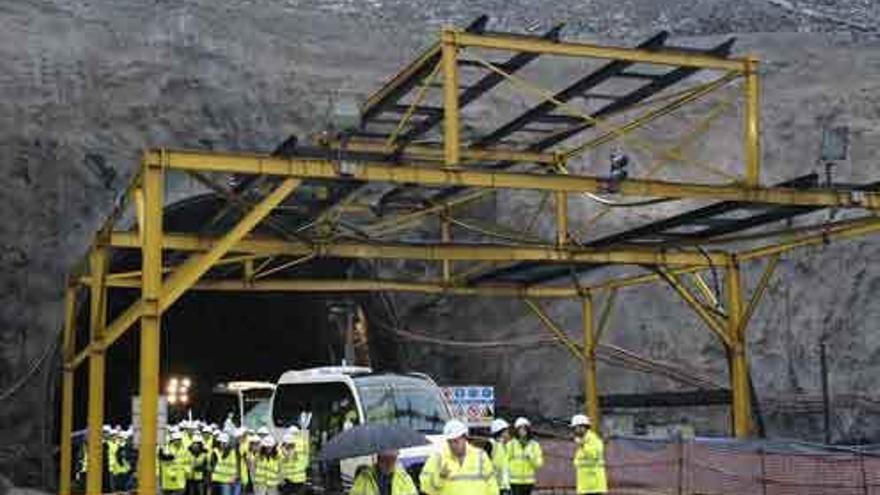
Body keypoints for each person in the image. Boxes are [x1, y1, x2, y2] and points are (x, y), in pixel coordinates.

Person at [420, 419, 498, 495]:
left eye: (456, 441)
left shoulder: (480, 456)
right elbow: (425, 487)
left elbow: (492, 485)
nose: (453, 445)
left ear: (464, 438)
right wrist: (440, 477)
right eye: (450, 442)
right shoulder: (438, 458)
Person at [350, 449, 418, 495]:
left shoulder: (404, 478)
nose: (389, 462)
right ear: (379, 457)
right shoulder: (364, 478)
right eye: (386, 458)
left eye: (392, 458)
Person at [571, 414, 607, 495]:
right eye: (574, 428)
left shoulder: (594, 440)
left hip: (594, 486)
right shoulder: (584, 441)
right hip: (585, 486)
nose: (575, 431)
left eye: (576, 428)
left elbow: (593, 455)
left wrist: (582, 445)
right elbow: (578, 461)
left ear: (583, 427)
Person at [508, 417, 543, 495]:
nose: (522, 431)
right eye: (520, 428)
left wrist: (531, 457)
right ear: (516, 430)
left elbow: (539, 464)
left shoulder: (534, 445)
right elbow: (504, 462)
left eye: (524, 428)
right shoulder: (511, 444)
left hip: (529, 482)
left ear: (528, 430)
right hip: (514, 482)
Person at [159, 430, 190, 495]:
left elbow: (187, 462)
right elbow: (164, 464)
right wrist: (170, 473)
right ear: (172, 440)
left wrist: (187, 471)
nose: (177, 441)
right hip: (168, 478)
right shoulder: (167, 450)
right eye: (176, 440)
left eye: (179, 439)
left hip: (180, 478)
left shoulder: (185, 449)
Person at [487, 419, 511, 495]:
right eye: (506, 432)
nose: (508, 434)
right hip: (493, 485)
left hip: (505, 485)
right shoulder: (491, 444)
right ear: (500, 432)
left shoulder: (505, 445)